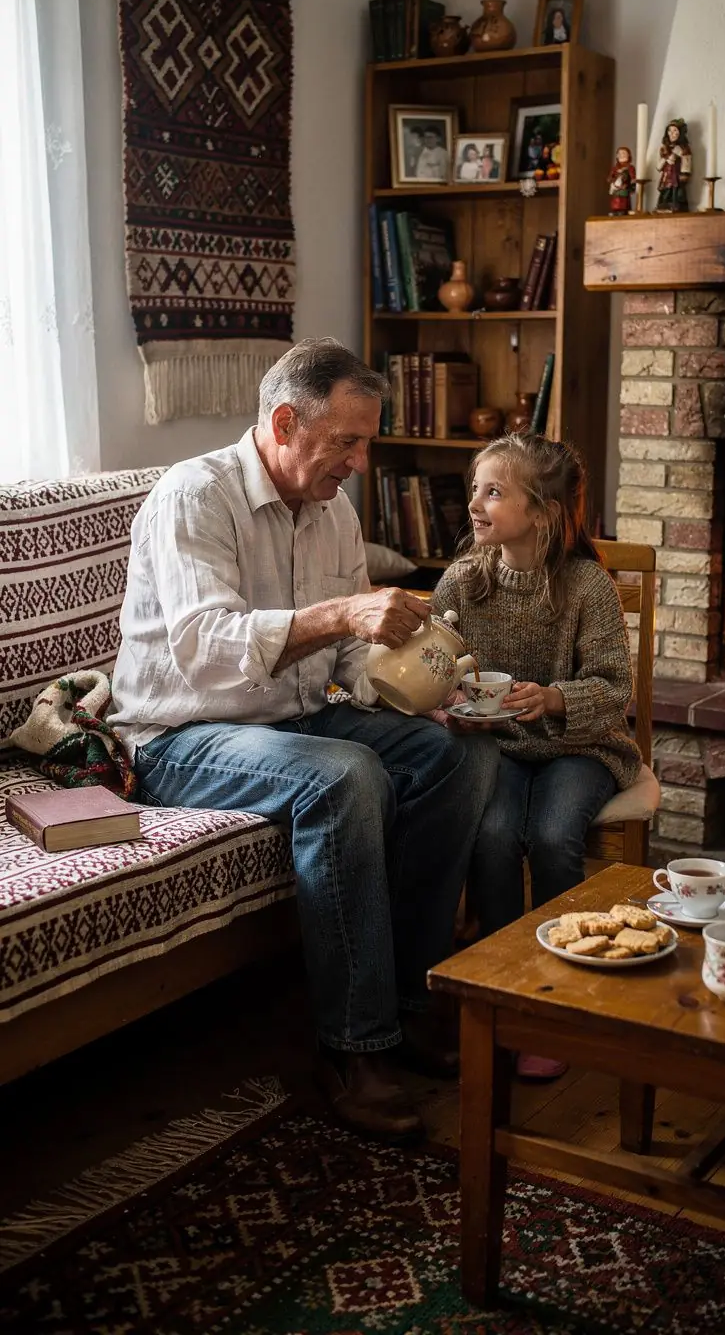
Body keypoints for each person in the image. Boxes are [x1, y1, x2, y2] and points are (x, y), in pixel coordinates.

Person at [109, 337, 499, 1141]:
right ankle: (356, 1048)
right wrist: (343, 615)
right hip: (179, 735)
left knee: (456, 754)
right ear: (285, 422)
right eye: (346, 442)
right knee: (343, 775)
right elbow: (206, 649)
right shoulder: (195, 496)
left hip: (290, 719)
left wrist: (421, 686)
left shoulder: (334, 508)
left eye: (366, 441)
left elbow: (350, 658)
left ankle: (411, 1002)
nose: (359, 461)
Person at [430, 435, 640, 1077]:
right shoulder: (465, 581)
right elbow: (434, 662)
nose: (474, 502)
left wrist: (552, 698)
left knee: (551, 837)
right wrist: (445, 701)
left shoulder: (586, 586)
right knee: (492, 835)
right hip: (498, 745)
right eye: (474, 488)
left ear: (543, 512)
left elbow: (615, 690)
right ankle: (504, 989)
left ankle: (559, 1001)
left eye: (493, 491)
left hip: (579, 748)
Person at [656, 118, 692, 212]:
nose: (672, 133)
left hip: (677, 176)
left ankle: (677, 205)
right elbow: (658, 166)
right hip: (666, 176)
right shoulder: (664, 149)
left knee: (678, 193)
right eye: (669, 131)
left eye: (675, 130)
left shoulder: (683, 148)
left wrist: (684, 174)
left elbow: (686, 162)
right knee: (666, 192)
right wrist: (666, 159)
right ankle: (664, 205)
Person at [608, 144, 636, 214]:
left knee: (624, 205)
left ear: (628, 155)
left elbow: (633, 179)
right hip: (616, 190)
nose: (622, 155)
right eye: (620, 153)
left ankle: (623, 212)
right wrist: (613, 180)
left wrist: (630, 186)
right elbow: (609, 178)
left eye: (624, 153)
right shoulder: (615, 168)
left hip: (624, 190)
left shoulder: (630, 167)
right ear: (617, 156)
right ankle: (615, 212)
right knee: (615, 203)